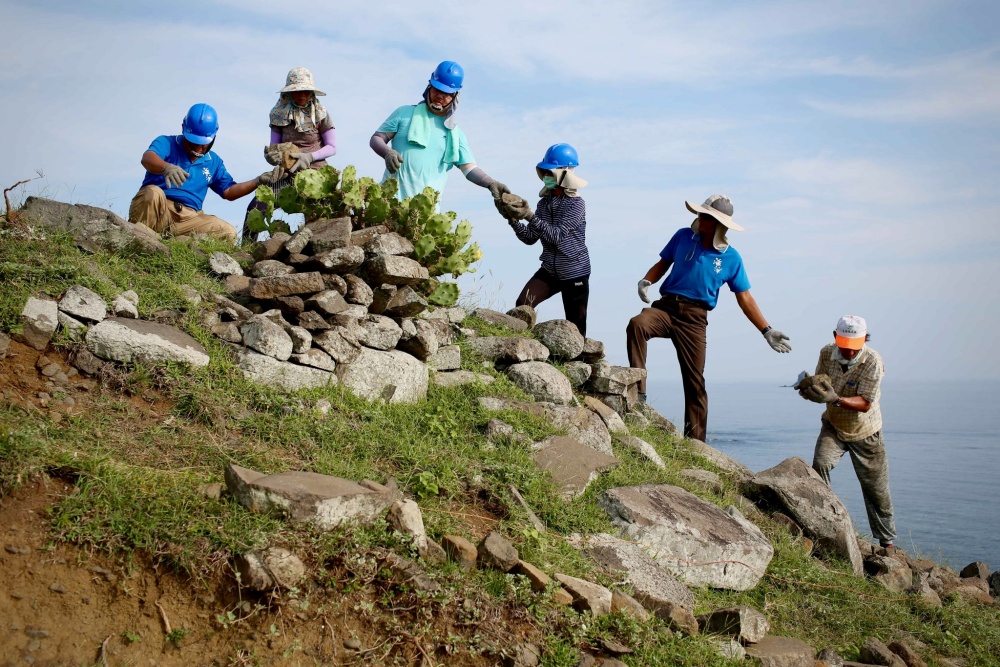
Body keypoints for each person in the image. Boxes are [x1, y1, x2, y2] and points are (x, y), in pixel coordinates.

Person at [626, 195, 791, 442]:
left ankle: (695, 443)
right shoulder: (683, 236)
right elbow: (663, 263)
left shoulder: (731, 258)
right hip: (666, 307)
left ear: (716, 223)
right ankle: (639, 394)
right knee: (637, 324)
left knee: (695, 383)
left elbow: (745, 298)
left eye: (704, 216)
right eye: (699, 214)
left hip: (694, 319)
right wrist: (647, 280)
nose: (698, 218)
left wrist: (766, 330)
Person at [798, 315, 896, 548]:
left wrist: (836, 398)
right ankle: (824, 523)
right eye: (845, 346)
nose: (850, 352)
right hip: (833, 424)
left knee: (876, 489)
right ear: (835, 337)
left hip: (866, 431)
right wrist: (809, 391)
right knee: (819, 466)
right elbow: (821, 383)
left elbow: (865, 403)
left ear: (864, 340)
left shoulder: (873, 361)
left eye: (855, 347)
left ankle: (887, 541)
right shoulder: (826, 353)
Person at [129, 103, 279, 242]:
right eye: (193, 142)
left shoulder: (214, 162)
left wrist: (257, 181)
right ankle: (141, 240)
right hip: (158, 210)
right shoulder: (166, 143)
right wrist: (166, 167)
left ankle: (174, 245)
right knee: (152, 193)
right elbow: (147, 158)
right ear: (183, 128)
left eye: (203, 144)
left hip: (189, 219)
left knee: (227, 232)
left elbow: (229, 191)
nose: (198, 148)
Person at [369, 60, 508, 203]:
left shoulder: (455, 134)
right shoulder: (404, 113)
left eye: (446, 93)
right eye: (436, 89)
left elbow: (469, 169)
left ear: (455, 97)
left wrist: (491, 183)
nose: (440, 96)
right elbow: (377, 138)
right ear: (429, 87)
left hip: (424, 216)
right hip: (389, 205)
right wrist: (387, 152)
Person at [497, 143, 591, 336]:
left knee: (576, 326)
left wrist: (529, 215)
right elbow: (530, 237)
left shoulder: (576, 205)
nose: (545, 177)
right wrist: (512, 219)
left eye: (550, 173)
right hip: (550, 269)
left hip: (575, 273)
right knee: (523, 304)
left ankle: (579, 364)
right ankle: (524, 346)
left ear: (563, 174)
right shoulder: (544, 204)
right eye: (544, 172)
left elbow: (556, 235)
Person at [242, 67, 337, 242]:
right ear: (290, 93)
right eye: (298, 91)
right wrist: (272, 157)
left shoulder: (321, 114)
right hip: (287, 173)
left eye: (306, 92)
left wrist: (309, 157)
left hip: (316, 174)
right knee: (256, 206)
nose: (302, 95)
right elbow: (274, 147)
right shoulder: (278, 114)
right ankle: (246, 249)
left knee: (323, 215)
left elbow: (332, 147)